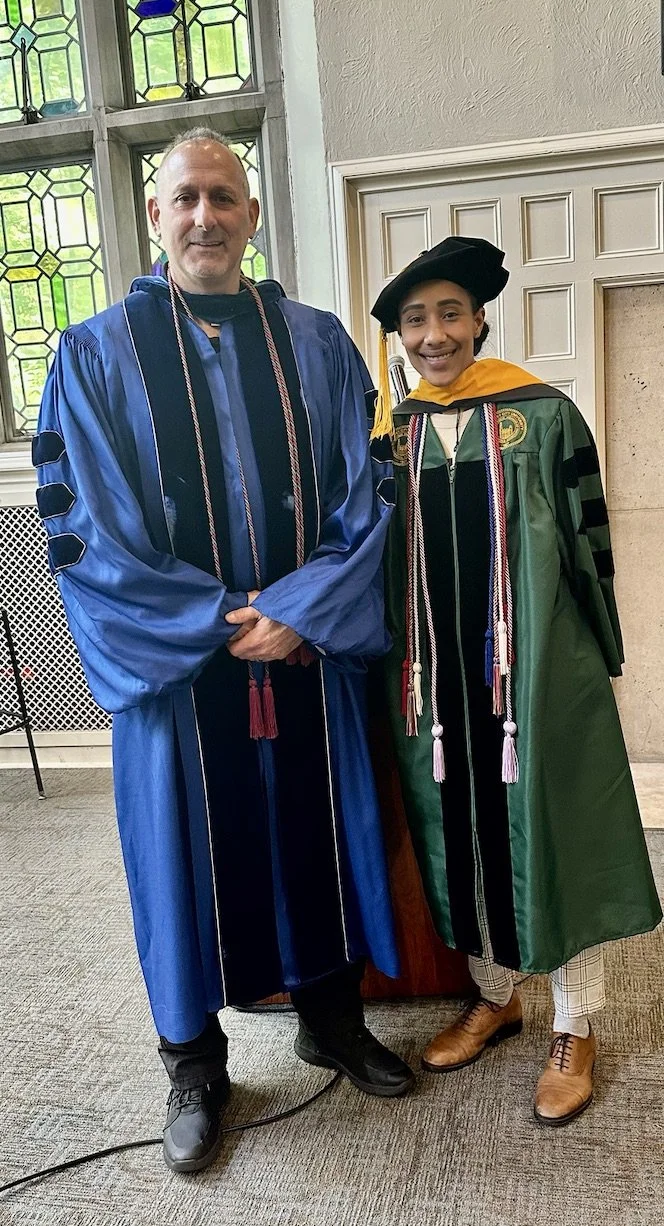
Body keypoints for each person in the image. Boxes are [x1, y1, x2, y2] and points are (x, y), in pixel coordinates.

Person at [34, 127, 414, 1175]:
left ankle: (329, 1016)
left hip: (302, 648)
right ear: (155, 218)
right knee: (179, 859)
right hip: (179, 673)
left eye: (224, 198)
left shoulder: (318, 341)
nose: (206, 216)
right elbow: (85, 529)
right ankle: (194, 1064)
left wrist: (301, 608)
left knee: (319, 833)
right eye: (186, 198)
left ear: (251, 215)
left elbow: (367, 492)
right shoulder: (94, 354)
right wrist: (220, 620)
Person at [369, 236, 661, 1126]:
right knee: (459, 835)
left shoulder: (541, 415)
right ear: (401, 336)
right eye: (416, 320)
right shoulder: (393, 435)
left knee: (559, 834)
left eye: (449, 313)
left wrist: (595, 660)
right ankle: (498, 996)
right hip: (435, 684)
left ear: (480, 317)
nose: (434, 335)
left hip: (535, 673)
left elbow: (589, 542)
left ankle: (577, 1024)